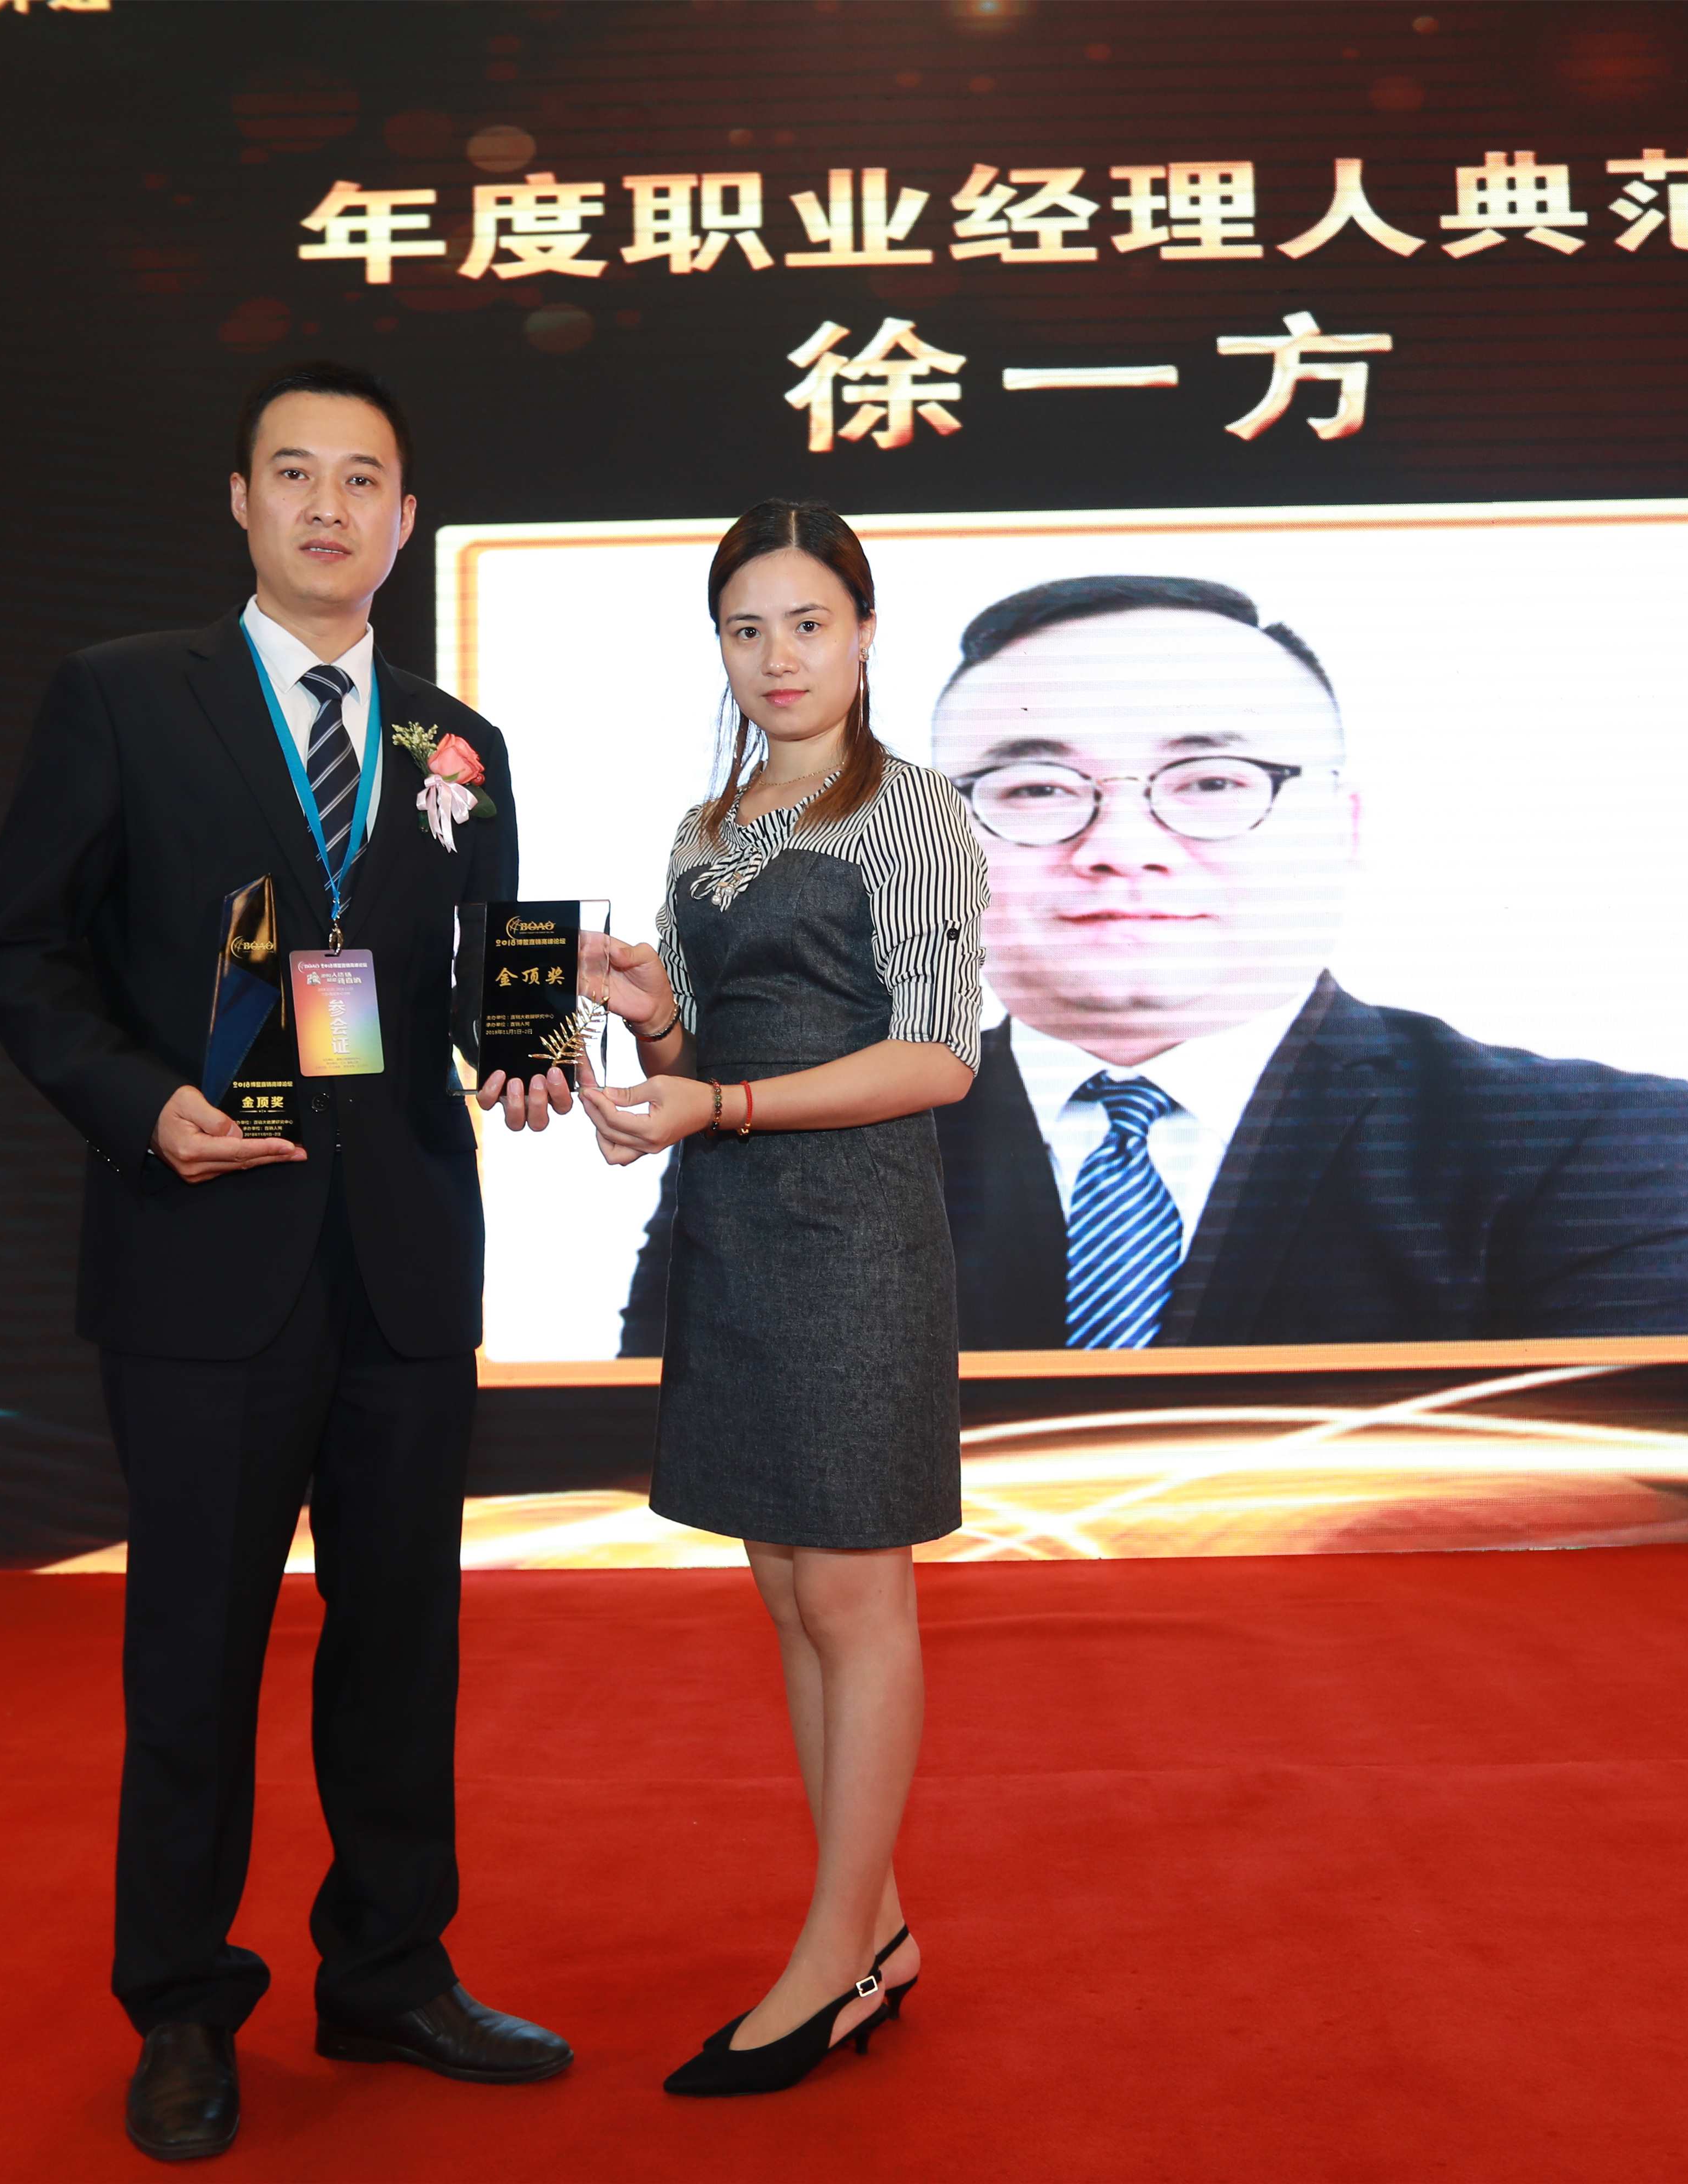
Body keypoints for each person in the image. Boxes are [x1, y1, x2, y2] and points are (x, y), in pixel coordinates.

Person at [0, 358, 572, 2164]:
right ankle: (179, 2003)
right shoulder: (122, 697)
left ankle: (389, 1971)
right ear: (239, 501)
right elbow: (22, 958)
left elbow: (476, 980)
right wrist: (140, 1106)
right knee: (195, 1653)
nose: (329, 506)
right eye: (293, 473)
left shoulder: (459, 743)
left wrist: (539, 1039)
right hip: (200, 1254)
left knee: (402, 1646)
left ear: (406, 517)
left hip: (403, 1259)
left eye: (363, 478)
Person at [622, 573, 1688, 1356]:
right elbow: (643, 1487)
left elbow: (1641, 1501)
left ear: (1344, 825)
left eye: (1213, 781)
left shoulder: (1577, 1144)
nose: (1123, 847)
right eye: (1033, 789)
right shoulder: (794, 1129)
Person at [576, 500, 989, 2095]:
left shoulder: (919, 811)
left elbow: (939, 1056)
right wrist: (653, 1021)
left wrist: (724, 1104)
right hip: (736, 1238)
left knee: (855, 1598)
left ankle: (830, 1962)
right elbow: (699, 1055)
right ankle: (872, 1929)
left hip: (861, 1238)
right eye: (746, 629)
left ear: (867, 635)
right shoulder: (704, 827)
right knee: (787, 1592)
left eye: (809, 623)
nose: (779, 657)